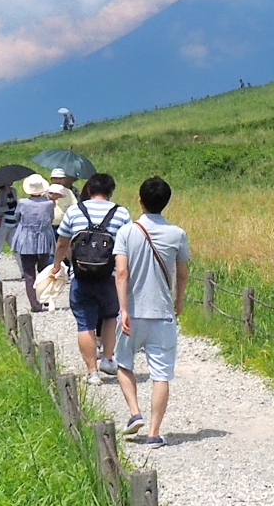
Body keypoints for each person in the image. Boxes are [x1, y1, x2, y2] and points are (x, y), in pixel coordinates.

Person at [113, 176, 189, 447]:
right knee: (161, 374)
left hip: (132, 312)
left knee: (123, 364)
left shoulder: (126, 232)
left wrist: (122, 309)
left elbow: (121, 272)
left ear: (140, 200)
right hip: (162, 313)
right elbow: (181, 274)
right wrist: (178, 300)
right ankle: (154, 433)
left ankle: (135, 412)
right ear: (165, 202)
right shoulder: (177, 234)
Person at [54, 173, 129, 388]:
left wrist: (57, 264)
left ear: (88, 190)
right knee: (109, 317)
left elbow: (62, 243)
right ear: (110, 191)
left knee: (84, 323)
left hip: (81, 275)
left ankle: (92, 372)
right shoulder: (121, 213)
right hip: (110, 277)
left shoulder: (74, 211)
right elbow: (127, 246)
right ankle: (107, 359)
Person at [12, 174, 59, 313]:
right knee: (44, 271)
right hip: (43, 238)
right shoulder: (49, 204)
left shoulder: (22, 202)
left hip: (25, 238)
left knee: (29, 274)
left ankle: (35, 304)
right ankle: (44, 298)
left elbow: (17, 217)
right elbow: (51, 218)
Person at [0, 176, 21, 282]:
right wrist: (8, 207)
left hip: (13, 224)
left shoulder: (13, 191)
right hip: (2, 224)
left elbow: (16, 205)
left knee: (17, 249)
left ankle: (24, 272)